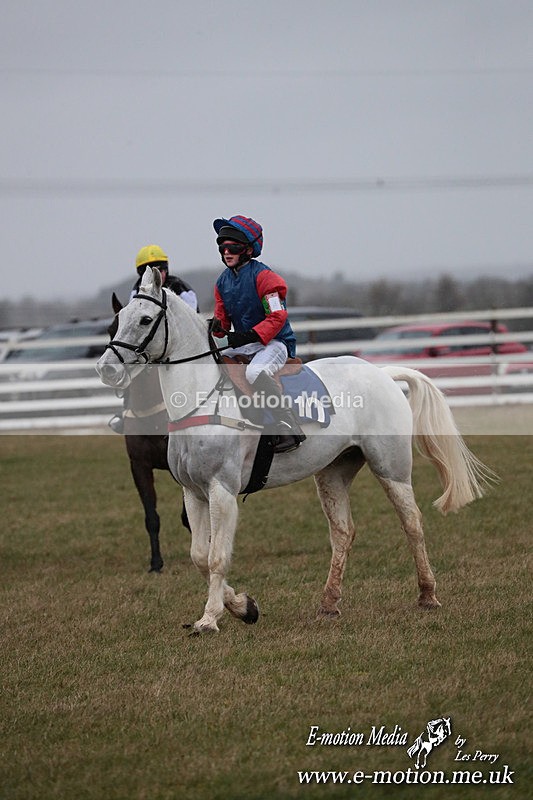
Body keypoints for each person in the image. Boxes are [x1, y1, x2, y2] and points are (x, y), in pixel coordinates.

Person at [211, 215, 306, 453]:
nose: (226, 252)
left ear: (248, 249)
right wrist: (215, 327)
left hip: (275, 343)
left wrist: (248, 335)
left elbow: (277, 317)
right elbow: (222, 321)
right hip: (248, 344)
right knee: (212, 360)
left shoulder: (265, 278)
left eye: (232, 247)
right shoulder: (222, 282)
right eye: (222, 247)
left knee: (255, 371)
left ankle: (289, 426)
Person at [108, 244, 199, 433]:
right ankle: (126, 413)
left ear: (166, 270)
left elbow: (189, 318)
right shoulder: (137, 292)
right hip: (155, 346)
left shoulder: (181, 289)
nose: (160, 274)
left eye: (162, 270)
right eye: (151, 271)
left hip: (184, 342)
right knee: (133, 370)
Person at [129, 244, 198, 310]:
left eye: (160, 270)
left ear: (166, 270)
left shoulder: (179, 288)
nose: (156, 276)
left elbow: (192, 312)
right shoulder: (136, 293)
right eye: (151, 273)